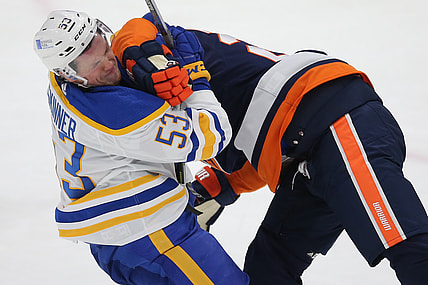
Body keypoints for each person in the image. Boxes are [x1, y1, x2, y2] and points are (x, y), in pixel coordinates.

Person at [115, 14, 428, 284]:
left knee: (403, 241)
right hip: (304, 155)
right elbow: (256, 147)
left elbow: (143, 27)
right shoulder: (165, 122)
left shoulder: (174, 53)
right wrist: (222, 183)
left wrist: (137, 52)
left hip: (335, 119)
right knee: (269, 267)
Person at [33, 10, 250, 285]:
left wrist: (145, 40)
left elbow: (137, 35)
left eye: (107, 52)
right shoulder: (122, 118)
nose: (110, 65)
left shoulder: (60, 80)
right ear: (70, 74)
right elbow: (213, 134)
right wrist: (196, 77)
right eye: (96, 65)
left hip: (115, 237)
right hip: (149, 233)